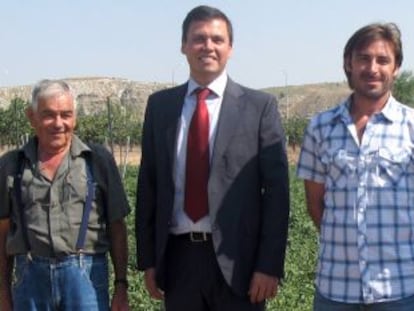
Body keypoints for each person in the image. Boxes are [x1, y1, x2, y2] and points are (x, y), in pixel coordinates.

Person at [136, 5, 289, 311]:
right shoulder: (161, 107)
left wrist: (269, 265)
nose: (208, 46)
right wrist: (149, 261)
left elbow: (277, 194)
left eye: (217, 40)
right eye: (198, 38)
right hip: (179, 262)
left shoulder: (259, 108)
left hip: (240, 265)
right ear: (184, 46)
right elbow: (149, 187)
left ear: (230, 48)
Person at [297, 22, 414, 310]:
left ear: (396, 67)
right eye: (363, 58)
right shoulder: (320, 127)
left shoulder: (411, 126)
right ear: (349, 63)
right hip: (336, 287)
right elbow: (315, 204)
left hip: (400, 287)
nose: (372, 67)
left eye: (383, 60)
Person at [0, 79, 130, 311]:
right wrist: (3, 293)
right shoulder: (12, 165)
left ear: (75, 118)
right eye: (48, 115)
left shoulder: (98, 161)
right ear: (32, 117)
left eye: (66, 115)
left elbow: (117, 228)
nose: (58, 123)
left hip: (85, 277)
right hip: (30, 278)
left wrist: (121, 286)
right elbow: (2, 233)